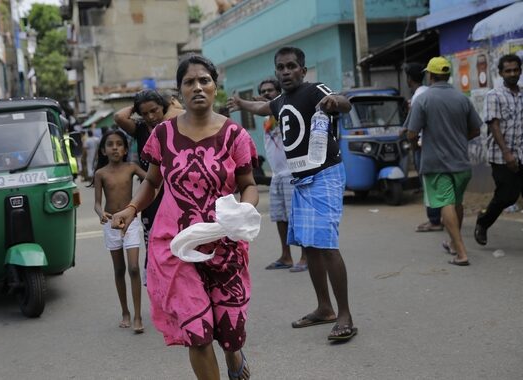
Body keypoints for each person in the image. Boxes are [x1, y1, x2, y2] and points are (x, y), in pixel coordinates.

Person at [111, 54, 258, 380]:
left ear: (215, 86)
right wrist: (131, 209)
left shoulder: (235, 135)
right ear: (179, 90)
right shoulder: (162, 135)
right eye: (189, 81)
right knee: (199, 333)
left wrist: (244, 214)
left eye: (204, 80)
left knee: (229, 331)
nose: (198, 87)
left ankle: (233, 356)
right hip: (176, 245)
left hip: (224, 246)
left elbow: (248, 185)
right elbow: (151, 181)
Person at [228, 46, 357, 342]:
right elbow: (264, 108)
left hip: (324, 174)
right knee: (309, 245)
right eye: (280, 67)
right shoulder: (281, 100)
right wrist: (241, 103)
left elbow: (344, 103)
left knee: (325, 244)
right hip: (301, 179)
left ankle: (345, 313)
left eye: (291, 66)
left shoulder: (314, 91)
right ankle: (324, 308)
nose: (285, 72)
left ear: (302, 69)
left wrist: (334, 101)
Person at [406, 56, 482, 266]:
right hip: (461, 163)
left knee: (445, 204)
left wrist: (417, 147)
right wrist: (458, 140)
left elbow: (412, 134)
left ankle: (462, 253)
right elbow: (475, 129)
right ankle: (451, 242)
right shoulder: (462, 98)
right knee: (456, 202)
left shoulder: (423, 99)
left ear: (429, 75)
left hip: (437, 164)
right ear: (448, 75)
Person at [114, 90, 185, 284]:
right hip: (151, 194)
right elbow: (119, 116)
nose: (150, 117)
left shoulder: (175, 122)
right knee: (154, 240)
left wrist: (168, 104)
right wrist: (138, 105)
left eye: (154, 110)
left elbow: (178, 111)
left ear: (164, 106)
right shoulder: (139, 129)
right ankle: (158, 284)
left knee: (179, 240)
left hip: (175, 193)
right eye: (144, 113)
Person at [474, 54, 523, 250]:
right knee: (508, 195)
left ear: (520, 71)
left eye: (515, 70)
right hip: (501, 155)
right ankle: (483, 222)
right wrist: (507, 153)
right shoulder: (494, 95)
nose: (512, 73)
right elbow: (494, 126)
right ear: (500, 73)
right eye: (508, 71)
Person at [93, 130, 147, 333]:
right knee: (119, 270)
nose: (115, 147)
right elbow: (98, 203)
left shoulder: (131, 167)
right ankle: (125, 311)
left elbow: (151, 181)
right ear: (104, 150)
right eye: (110, 144)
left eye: (119, 144)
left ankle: (138, 315)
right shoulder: (101, 173)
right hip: (111, 224)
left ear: (125, 149)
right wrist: (101, 214)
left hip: (130, 222)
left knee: (133, 268)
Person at [253, 78, 307, 272]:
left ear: (279, 92)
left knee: (297, 217)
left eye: (270, 90)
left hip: (292, 173)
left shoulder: (285, 110)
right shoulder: (266, 118)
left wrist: (264, 102)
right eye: (263, 90)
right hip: (276, 175)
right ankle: (286, 257)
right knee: (280, 218)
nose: (266, 93)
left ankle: (305, 256)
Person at [404, 63, 443, 233]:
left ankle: (434, 219)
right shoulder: (428, 92)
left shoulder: (418, 97)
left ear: (409, 79)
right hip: (438, 143)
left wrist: (413, 144)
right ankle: (440, 217)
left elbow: (412, 128)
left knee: (428, 184)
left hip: (423, 145)